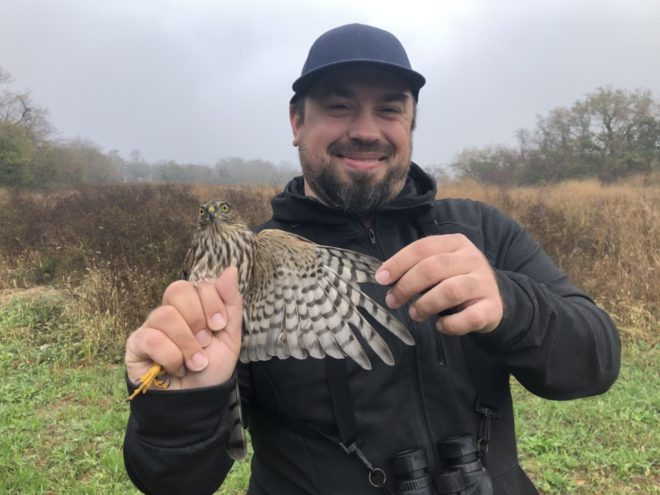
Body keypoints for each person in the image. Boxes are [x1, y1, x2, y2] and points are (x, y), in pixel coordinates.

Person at [123, 23, 620, 495]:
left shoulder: (480, 231)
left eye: (388, 110)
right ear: (297, 122)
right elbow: (173, 480)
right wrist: (181, 406)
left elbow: (596, 362)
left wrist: (510, 302)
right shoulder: (245, 268)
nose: (365, 131)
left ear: (410, 123)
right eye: (339, 106)